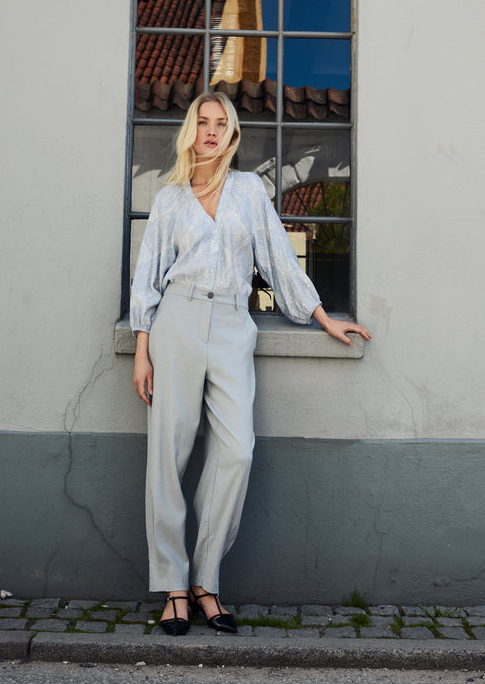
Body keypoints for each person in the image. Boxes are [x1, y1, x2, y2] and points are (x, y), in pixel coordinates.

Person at [130, 92, 371, 636]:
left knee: (238, 450)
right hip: (178, 321)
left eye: (222, 124)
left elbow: (279, 260)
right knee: (168, 453)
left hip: (235, 325)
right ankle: (172, 584)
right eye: (203, 122)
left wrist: (324, 318)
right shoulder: (170, 199)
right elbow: (147, 276)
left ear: (233, 134)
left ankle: (204, 579)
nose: (211, 132)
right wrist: (143, 350)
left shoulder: (248, 191)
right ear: (191, 130)